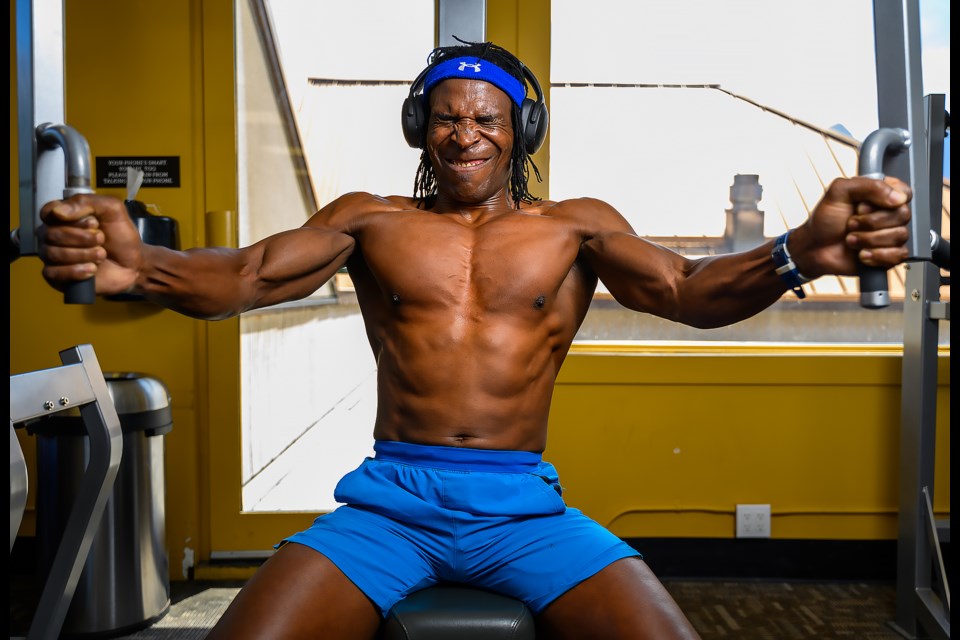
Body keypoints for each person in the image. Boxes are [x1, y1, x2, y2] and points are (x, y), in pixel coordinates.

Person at [37, 41, 911, 640]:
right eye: (449, 118)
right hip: (389, 508)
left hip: (525, 512)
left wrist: (800, 252)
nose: (467, 134)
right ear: (423, 127)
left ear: (519, 131)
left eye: (488, 119)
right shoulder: (369, 220)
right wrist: (137, 266)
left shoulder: (576, 228)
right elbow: (247, 276)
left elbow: (688, 291)